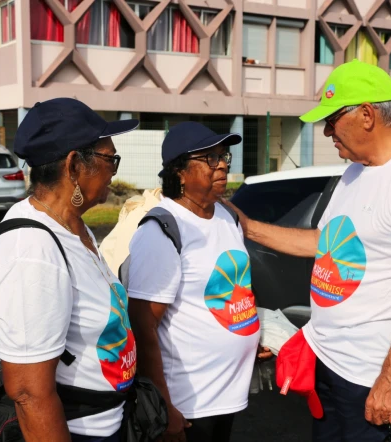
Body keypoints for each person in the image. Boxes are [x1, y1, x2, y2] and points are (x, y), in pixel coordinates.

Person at [225, 59, 391, 441]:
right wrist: (248, 227)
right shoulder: (354, 172)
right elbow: (324, 242)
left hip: (369, 375)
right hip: (329, 363)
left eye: (333, 119)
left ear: (367, 115)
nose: (327, 130)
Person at [0, 98, 139, 441]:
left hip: (109, 422)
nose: (115, 170)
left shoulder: (73, 226)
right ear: (74, 165)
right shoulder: (31, 252)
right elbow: (28, 393)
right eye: (111, 159)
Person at [127, 122, 271, 442]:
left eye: (224, 156)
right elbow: (143, 324)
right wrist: (164, 405)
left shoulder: (227, 217)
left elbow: (235, 284)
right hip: (188, 401)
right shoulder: (161, 231)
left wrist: (249, 329)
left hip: (226, 395)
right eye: (209, 158)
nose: (221, 164)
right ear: (179, 171)